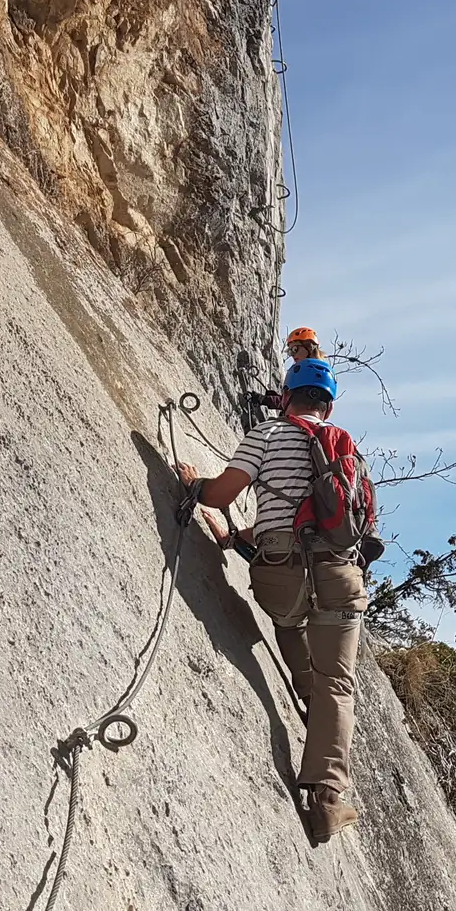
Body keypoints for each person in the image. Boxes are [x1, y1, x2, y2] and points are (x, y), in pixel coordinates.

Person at [176, 357, 368, 841]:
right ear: (327, 405)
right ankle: (327, 800)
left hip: (281, 578)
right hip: (343, 575)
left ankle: (305, 692)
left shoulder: (267, 435)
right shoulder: (349, 453)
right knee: (338, 684)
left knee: (288, 622)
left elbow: (220, 494)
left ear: (287, 396)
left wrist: (193, 483)